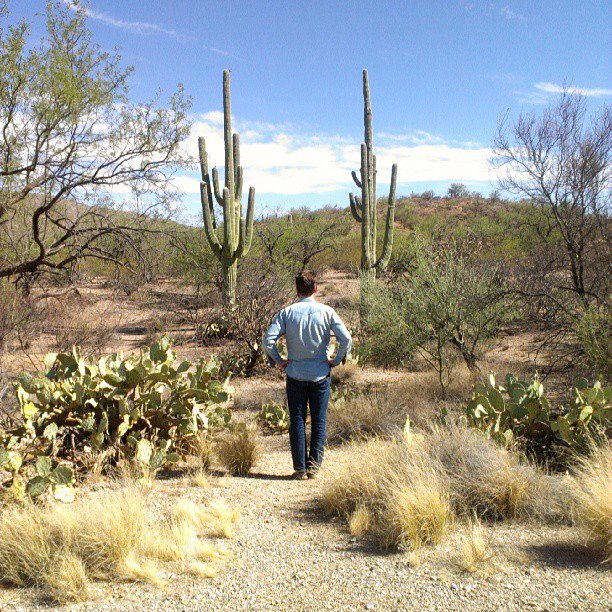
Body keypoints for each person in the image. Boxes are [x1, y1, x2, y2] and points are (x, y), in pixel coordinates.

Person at [263, 270, 352, 480]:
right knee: (319, 421)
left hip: (295, 374)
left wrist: (279, 361)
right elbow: (346, 339)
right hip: (321, 374)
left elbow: (268, 341)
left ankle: (300, 469)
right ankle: (314, 467)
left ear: (297, 290)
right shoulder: (327, 312)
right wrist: (336, 360)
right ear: (316, 289)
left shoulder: (286, 313)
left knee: (297, 420)